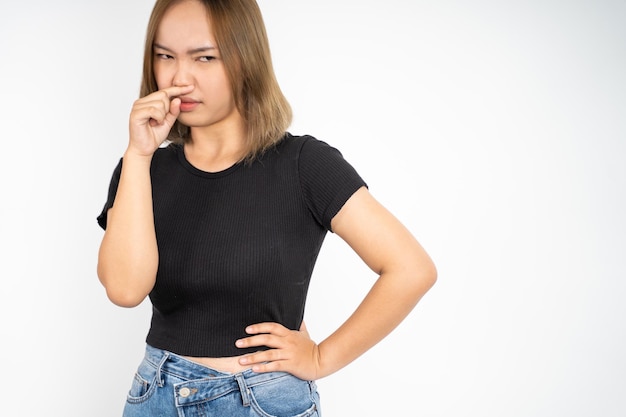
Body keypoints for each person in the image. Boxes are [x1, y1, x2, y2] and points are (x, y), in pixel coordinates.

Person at [96, 0, 437, 415]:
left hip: (258, 403)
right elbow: (125, 290)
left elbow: (411, 269)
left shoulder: (304, 164)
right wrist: (137, 154)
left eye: (204, 57)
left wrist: (321, 357)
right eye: (165, 56)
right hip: (156, 396)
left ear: (246, 59)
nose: (179, 78)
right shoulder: (143, 168)